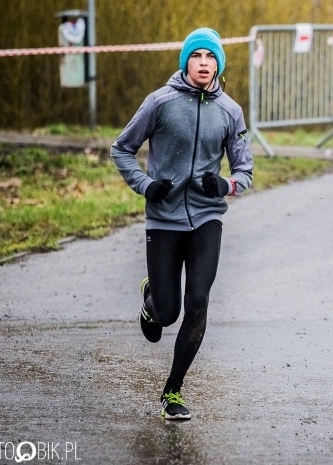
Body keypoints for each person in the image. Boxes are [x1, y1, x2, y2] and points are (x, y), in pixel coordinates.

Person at [111, 27, 253, 420]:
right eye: (197, 56)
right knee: (168, 312)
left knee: (198, 302)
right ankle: (151, 300)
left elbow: (245, 168)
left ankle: (172, 392)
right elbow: (121, 148)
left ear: (218, 64)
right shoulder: (160, 102)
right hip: (164, 218)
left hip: (208, 217)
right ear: (186, 62)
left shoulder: (230, 111)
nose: (204, 64)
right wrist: (145, 185)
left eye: (211, 57)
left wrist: (224, 184)